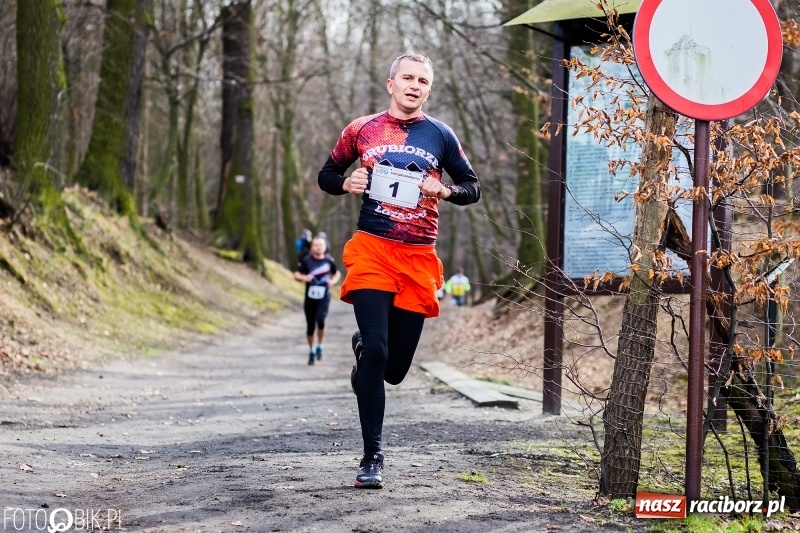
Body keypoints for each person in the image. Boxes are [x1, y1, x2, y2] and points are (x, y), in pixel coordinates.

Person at [318, 51, 480, 488]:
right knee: (377, 348)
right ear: (391, 84)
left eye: (422, 81)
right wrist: (345, 182)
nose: (414, 85)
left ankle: (365, 352)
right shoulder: (361, 129)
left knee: (394, 368)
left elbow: (473, 188)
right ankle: (372, 456)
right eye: (407, 78)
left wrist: (444, 190)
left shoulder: (441, 135)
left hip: (417, 256)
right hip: (372, 248)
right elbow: (327, 174)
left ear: (428, 90)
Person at [293, 237, 341, 365]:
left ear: (325, 247)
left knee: (320, 320)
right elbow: (296, 275)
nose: (318, 247)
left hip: (324, 296)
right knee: (310, 326)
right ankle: (311, 350)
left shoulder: (329, 261)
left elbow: (336, 273)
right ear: (311, 247)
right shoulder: (306, 261)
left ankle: (320, 345)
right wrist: (304, 277)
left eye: (321, 245)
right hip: (309, 298)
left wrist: (333, 281)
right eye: (315, 245)